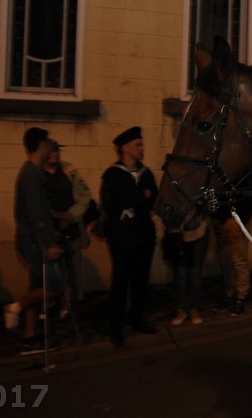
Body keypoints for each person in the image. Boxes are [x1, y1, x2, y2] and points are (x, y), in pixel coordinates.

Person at [4, 127, 64, 355]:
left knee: (37, 287)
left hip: (32, 239)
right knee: (54, 286)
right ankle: (14, 307)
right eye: (48, 141)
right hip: (34, 241)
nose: (51, 145)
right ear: (41, 145)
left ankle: (29, 337)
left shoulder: (33, 172)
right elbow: (36, 212)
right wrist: (49, 244)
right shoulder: (32, 174)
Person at [100, 126, 159, 347]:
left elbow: (153, 199)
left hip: (144, 236)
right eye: (138, 145)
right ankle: (115, 327)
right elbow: (125, 201)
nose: (142, 148)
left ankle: (137, 319)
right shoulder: (113, 175)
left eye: (141, 144)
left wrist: (140, 200)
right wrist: (141, 198)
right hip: (122, 238)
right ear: (125, 148)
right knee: (120, 282)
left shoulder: (146, 173)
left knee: (141, 281)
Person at [42, 140, 92, 317]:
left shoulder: (68, 170)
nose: (56, 153)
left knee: (72, 270)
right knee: (50, 271)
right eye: (52, 150)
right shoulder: (36, 173)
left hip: (70, 227)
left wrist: (70, 215)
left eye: (57, 150)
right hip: (49, 230)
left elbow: (85, 196)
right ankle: (47, 304)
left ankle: (68, 303)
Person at [211, 174, 252, 317]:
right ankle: (230, 294)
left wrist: (239, 217)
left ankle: (241, 297)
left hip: (234, 217)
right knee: (226, 260)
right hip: (221, 216)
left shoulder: (241, 170)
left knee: (238, 260)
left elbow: (246, 192)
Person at [165, 219, 208, 326]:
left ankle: (194, 309)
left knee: (195, 273)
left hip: (199, 230)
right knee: (180, 274)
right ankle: (181, 309)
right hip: (176, 232)